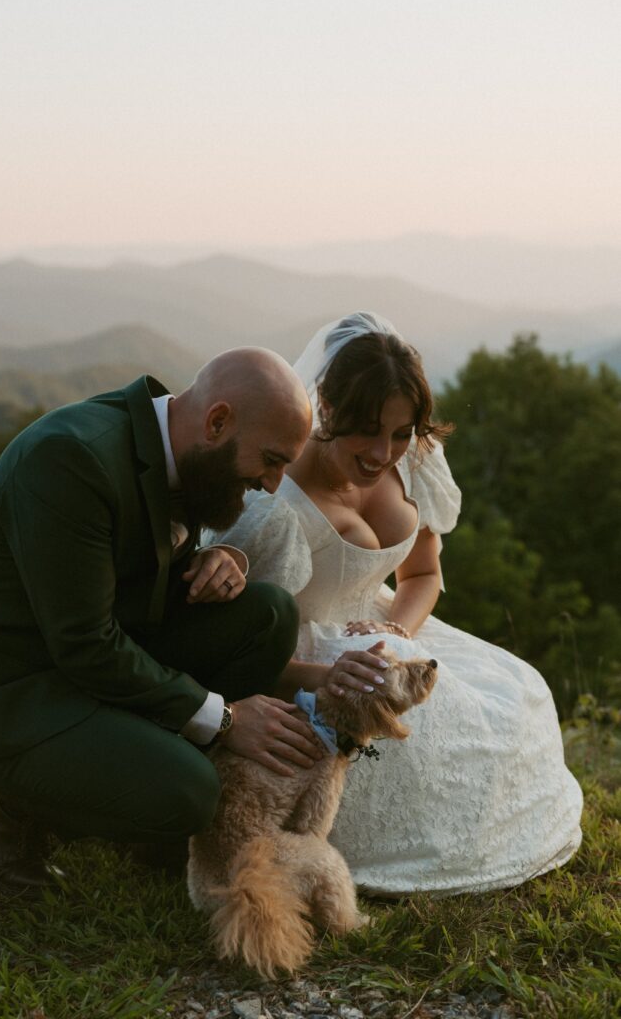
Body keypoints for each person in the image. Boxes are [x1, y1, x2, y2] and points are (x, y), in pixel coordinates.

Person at [215, 313, 583, 895]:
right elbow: (236, 641)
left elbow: (424, 571)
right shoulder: (273, 504)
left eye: (401, 432)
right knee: (395, 726)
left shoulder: (411, 459)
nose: (384, 451)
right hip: (307, 654)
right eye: (367, 429)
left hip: (392, 624)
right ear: (326, 409)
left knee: (518, 700)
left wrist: (397, 629)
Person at [0, 349, 318, 894]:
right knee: (189, 793)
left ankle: (143, 790)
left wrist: (220, 563)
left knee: (270, 616)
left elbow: (138, 575)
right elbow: (87, 643)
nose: (275, 483)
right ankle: (6, 802)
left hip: (94, 664)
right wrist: (227, 718)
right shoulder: (71, 457)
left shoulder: (187, 454)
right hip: (8, 693)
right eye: (272, 460)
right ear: (217, 422)